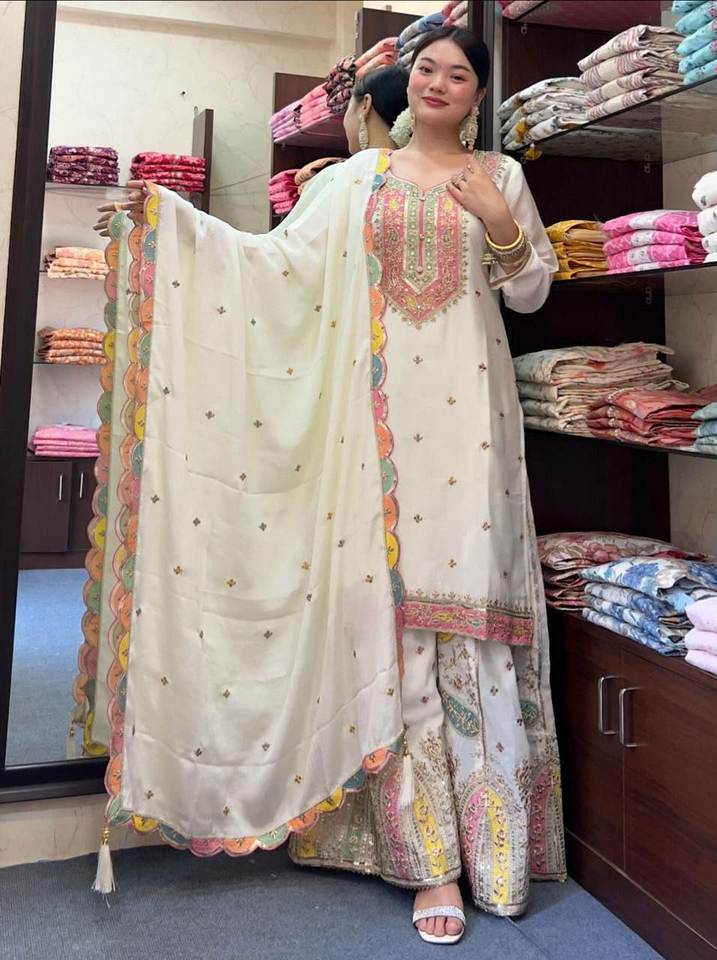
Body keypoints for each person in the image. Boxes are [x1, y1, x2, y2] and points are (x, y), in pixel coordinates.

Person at [85, 26, 565, 947]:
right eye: (426, 69)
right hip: (372, 428)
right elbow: (274, 265)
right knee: (389, 615)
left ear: (478, 97)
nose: (437, 82)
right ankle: (429, 864)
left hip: (472, 419)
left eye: (458, 75)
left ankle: (493, 849)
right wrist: (173, 223)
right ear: (407, 85)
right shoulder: (354, 180)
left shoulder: (500, 176)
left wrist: (502, 227)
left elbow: (534, 292)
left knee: (468, 609)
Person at [92, 66, 409, 238]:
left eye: (348, 108)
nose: (345, 120)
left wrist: (169, 218)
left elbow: (274, 257)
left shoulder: (343, 178)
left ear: (364, 106)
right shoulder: (420, 179)